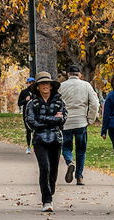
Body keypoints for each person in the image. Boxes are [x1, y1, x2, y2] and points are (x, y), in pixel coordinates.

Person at [20, 74, 68, 210]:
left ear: (51, 86)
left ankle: (50, 190)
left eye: (47, 83)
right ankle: (47, 200)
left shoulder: (59, 102)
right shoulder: (32, 103)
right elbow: (31, 122)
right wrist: (51, 120)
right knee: (44, 168)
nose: (45, 86)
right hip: (39, 140)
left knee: (53, 170)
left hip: (56, 139)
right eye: (42, 84)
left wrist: (43, 119)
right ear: (38, 87)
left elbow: (62, 118)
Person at [58, 67, 102, 185]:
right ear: (80, 75)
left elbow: (57, 104)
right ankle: (79, 176)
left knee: (66, 147)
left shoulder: (61, 86)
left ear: (68, 74)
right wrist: (90, 119)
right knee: (81, 150)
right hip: (81, 122)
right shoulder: (86, 85)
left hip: (66, 122)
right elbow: (94, 103)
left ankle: (69, 162)